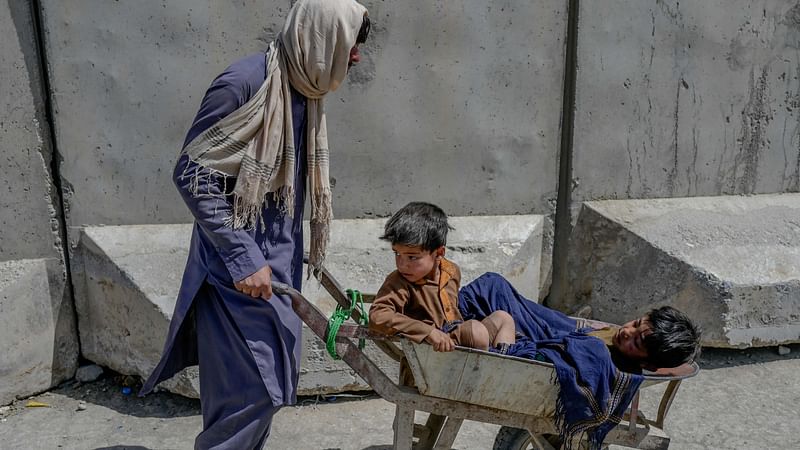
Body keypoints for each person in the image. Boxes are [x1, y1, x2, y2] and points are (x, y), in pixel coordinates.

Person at [139, 1, 371, 448]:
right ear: (320, 36)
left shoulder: (306, 90)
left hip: (277, 272)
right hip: (234, 279)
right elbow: (193, 175)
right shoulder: (244, 84)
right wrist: (245, 259)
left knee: (264, 394)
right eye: (352, 43)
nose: (357, 56)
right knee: (249, 399)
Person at [368, 202, 516, 353]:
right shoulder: (399, 282)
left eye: (412, 257)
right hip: (433, 350)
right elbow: (378, 316)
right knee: (475, 331)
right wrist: (428, 332)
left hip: (456, 334)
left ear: (439, 253)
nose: (402, 264)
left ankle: (500, 368)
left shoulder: (451, 271)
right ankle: (482, 371)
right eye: (397, 254)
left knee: (503, 318)